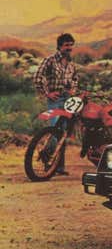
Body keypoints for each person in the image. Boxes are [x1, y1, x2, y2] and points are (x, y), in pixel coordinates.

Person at [33, 32, 78, 176]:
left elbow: (75, 79)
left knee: (64, 131)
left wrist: (73, 90)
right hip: (55, 99)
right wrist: (47, 93)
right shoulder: (50, 60)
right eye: (66, 45)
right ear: (59, 46)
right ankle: (47, 158)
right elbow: (38, 77)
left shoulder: (71, 63)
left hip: (68, 100)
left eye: (71, 45)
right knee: (54, 129)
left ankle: (58, 167)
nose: (69, 48)